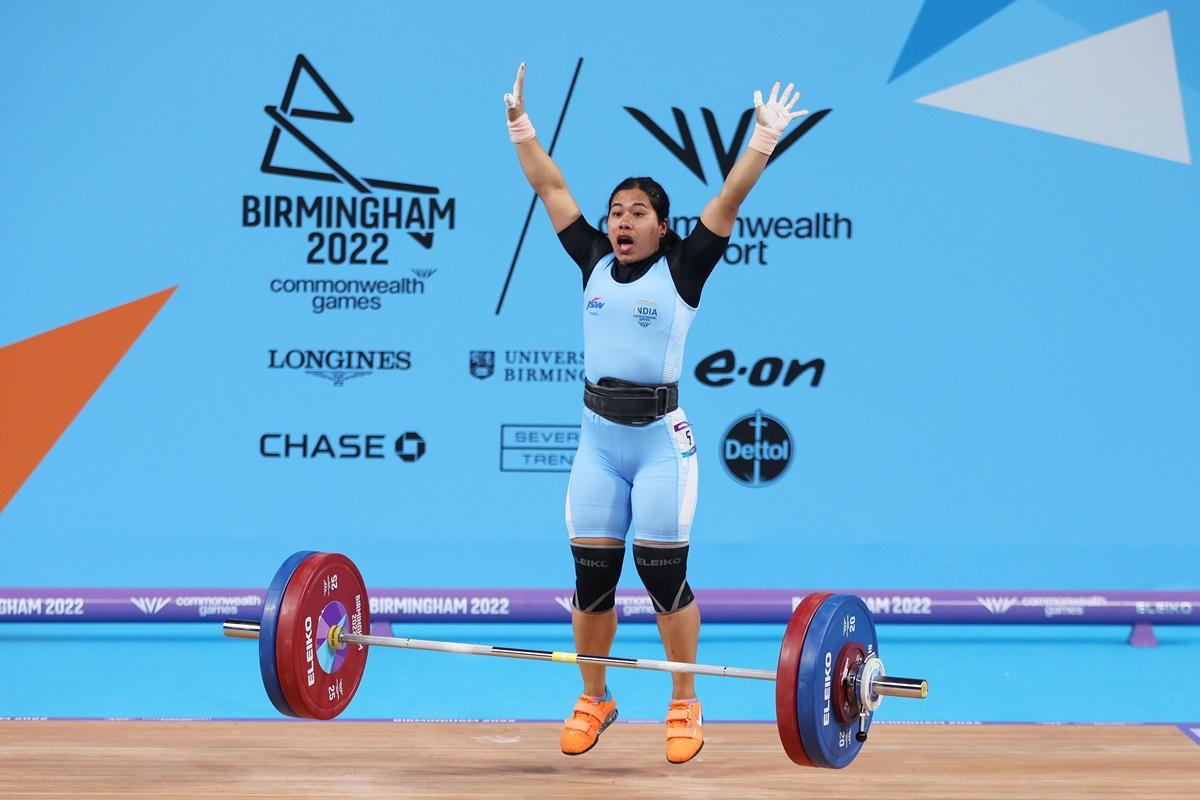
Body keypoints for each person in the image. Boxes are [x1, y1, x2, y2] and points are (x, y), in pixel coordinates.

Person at [504, 63, 807, 764]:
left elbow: (729, 199)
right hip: (597, 445)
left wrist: (761, 141)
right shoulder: (590, 260)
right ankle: (595, 697)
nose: (621, 222)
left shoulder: (686, 267)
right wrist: (521, 125)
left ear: (662, 225)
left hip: (661, 446)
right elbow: (548, 185)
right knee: (590, 579)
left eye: (637, 213)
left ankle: (683, 701)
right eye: (616, 212)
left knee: (663, 577)